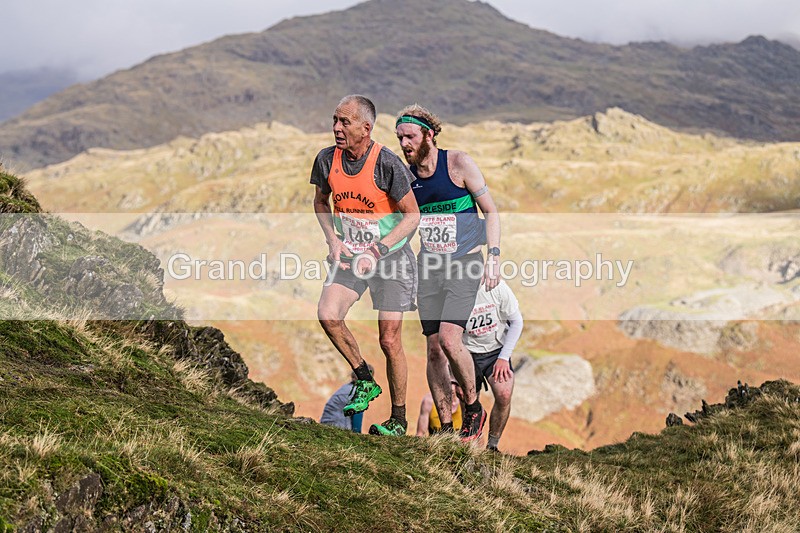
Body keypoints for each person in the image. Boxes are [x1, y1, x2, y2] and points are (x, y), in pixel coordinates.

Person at [311, 95, 420, 437]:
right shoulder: (327, 160)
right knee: (328, 314)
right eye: (334, 120)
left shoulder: (387, 164)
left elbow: (412, 216)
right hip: (350, 256)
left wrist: (379, 248)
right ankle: (364, 379)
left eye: (344, 122)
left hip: (391, 259)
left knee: (389, 341)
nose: (336, 128)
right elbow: (320, 201)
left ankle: (398, 420)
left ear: (366, 127)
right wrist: (333, 240)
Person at [395, 104, 501, 442]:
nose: (404, 144)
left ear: (429, 134)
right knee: (433, 350)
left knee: (450, 339)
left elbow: (491, 212)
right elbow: (406, 223)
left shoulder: (458, 164)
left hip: (464, 263)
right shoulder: (407, 177)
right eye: (399, 138)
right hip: (430, 267)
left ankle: (472, 406)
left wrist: (494, 256)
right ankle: (446, 429)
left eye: (410, 136)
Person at [462, 279, 522, 452]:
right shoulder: (456, 287)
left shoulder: (498, 288)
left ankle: (492, 446)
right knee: (466, 399)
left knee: (504, 394)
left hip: (495, 352)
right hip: (466, 353)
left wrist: (504, 357)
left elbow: (517, 321)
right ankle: (471, 444)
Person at [320, 366, 375, 433]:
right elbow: (357, 419)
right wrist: (358, 437)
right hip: (336, 429)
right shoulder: (355, 392)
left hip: (326, 426)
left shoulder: (346, 388)